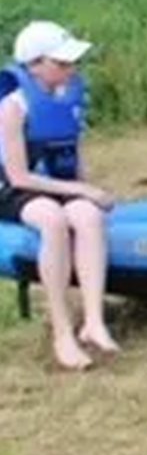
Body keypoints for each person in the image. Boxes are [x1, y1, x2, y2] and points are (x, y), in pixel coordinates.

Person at [0, 22, 116, 370]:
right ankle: (62, 332)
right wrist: (81, 190)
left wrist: (87, 192)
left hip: (56, 185)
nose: (71, 69)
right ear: (34, 65)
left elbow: (72, 154)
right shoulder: (13, 107)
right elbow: (19, 176)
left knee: (88, 217)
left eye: (72, 63)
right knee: (52, 219)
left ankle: (93, 321)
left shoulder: (68, 98)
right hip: (14, 190)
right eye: (62, 63)